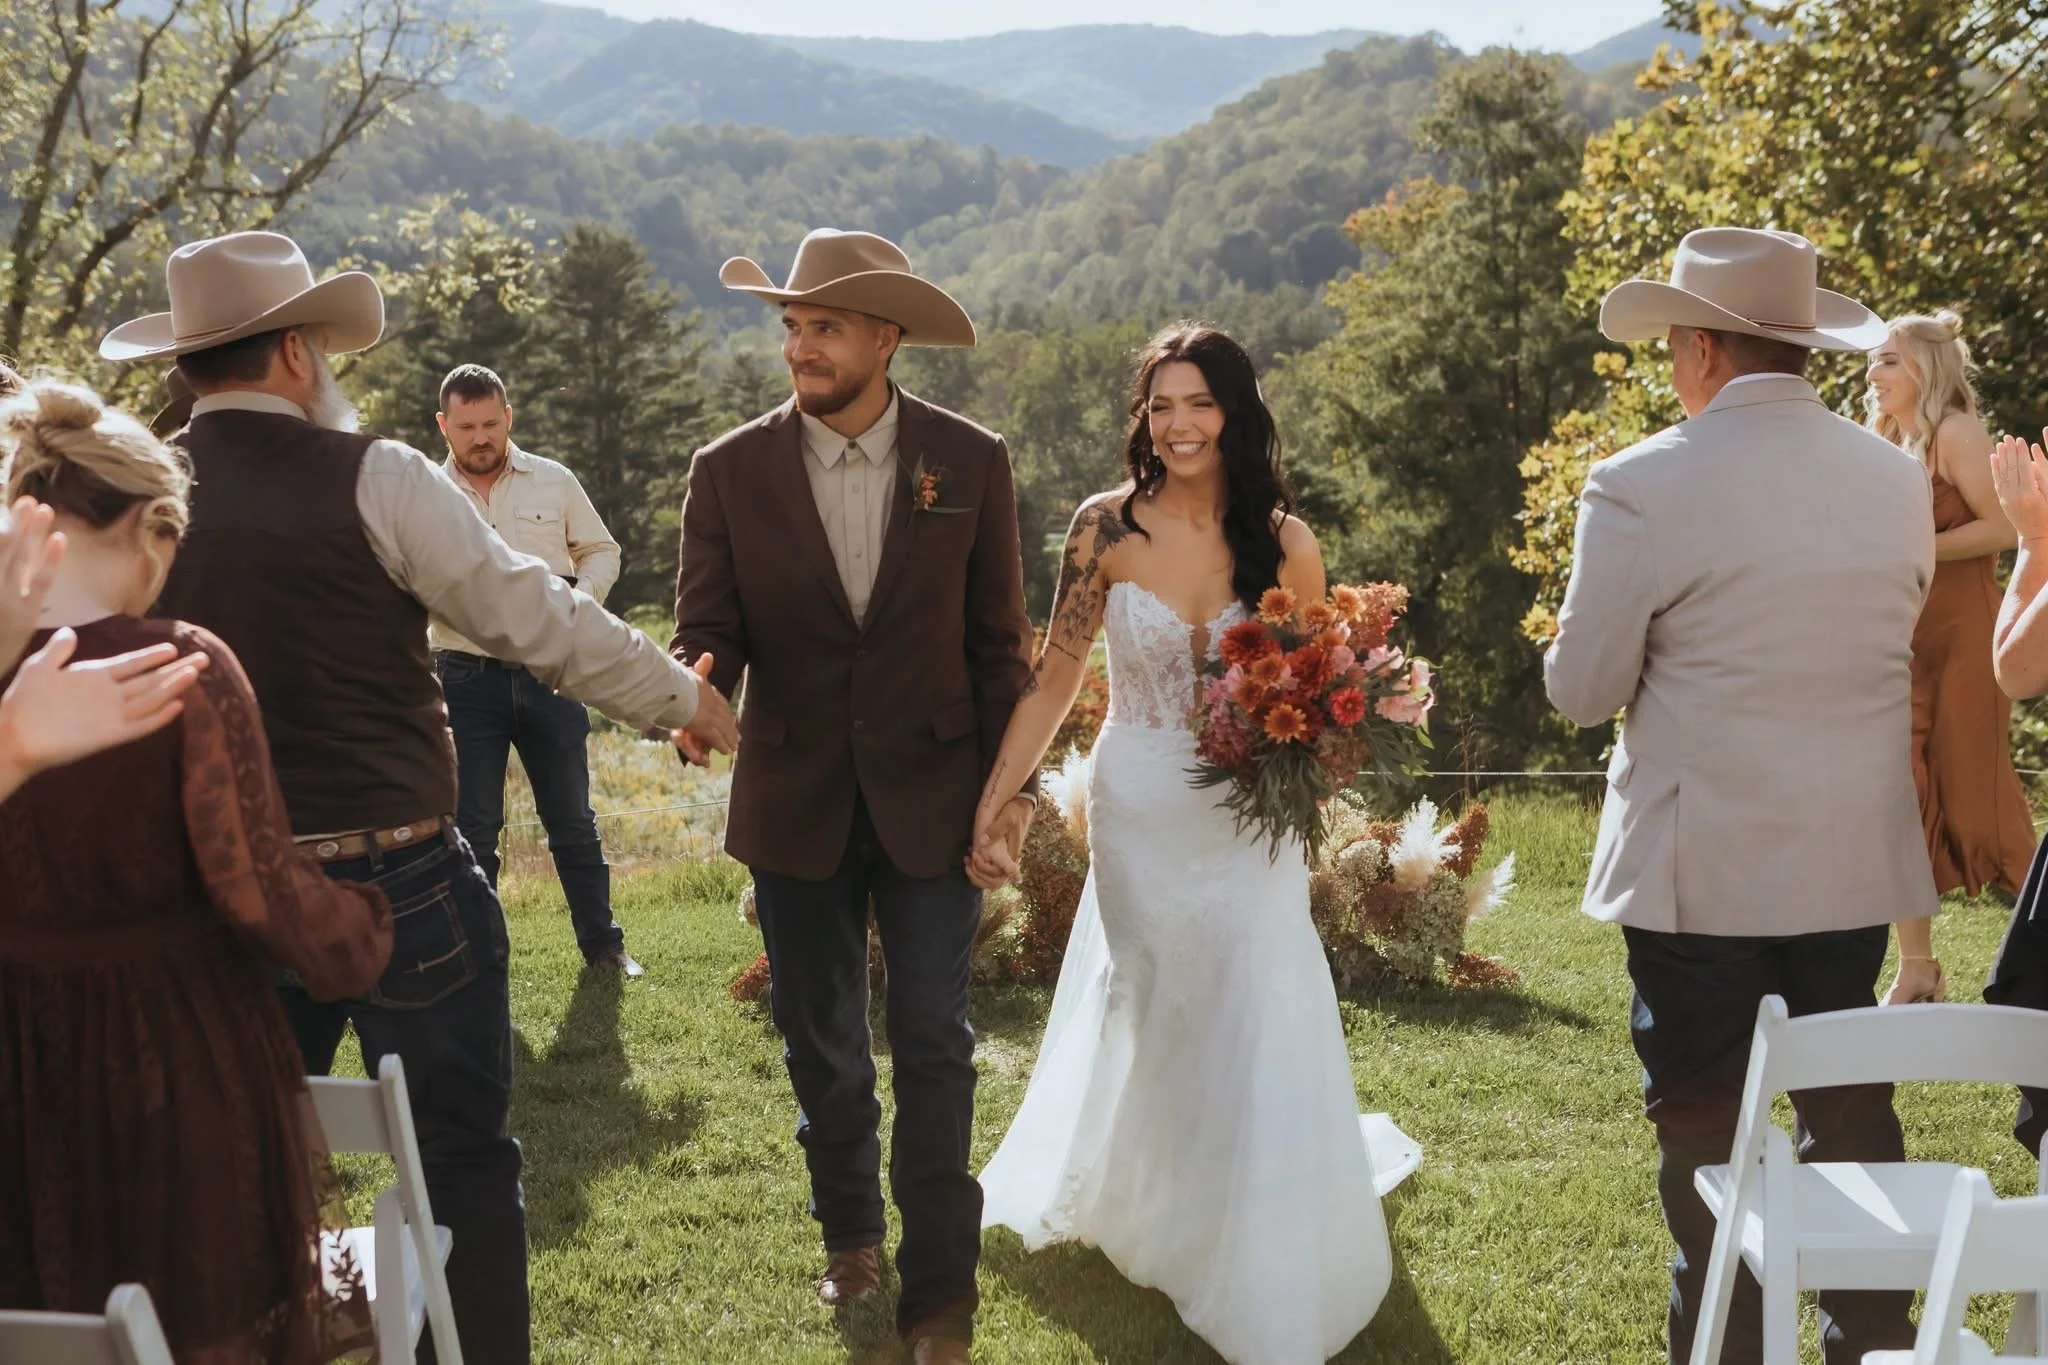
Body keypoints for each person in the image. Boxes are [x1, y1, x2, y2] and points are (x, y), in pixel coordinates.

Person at [100, 228, 738, 1364]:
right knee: (463, 1166)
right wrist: (679, 703)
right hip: (404, 885)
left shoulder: (131, 502)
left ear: (194, 365)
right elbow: (534, 616)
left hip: (222, 892)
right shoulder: (381, 476)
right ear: (298, 352)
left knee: (236, 1172)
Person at [971, 323, 1419, 1365]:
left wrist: (1313, 754)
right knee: (1159, 989)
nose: (1176, 425)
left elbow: (1319, 695)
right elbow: (1052, 676)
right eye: (1159, 405)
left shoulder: (1285, 542)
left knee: (1257, 990)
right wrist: (1004, 794)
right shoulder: (1103, 530)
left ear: (1233, 412)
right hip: (1137, 799)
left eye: (1197, 404)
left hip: (1247, 812)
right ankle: (1158, 1203)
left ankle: (1258, 1218)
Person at [1547, 227, 1935, 1365]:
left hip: (1697, 870)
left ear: (1705, 349)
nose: (1671, 365)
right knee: (1850, 1125)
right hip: (1849, 858)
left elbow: (1580, 689)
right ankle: (1873, 1346)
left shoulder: (1637, 483)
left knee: (1709, 1154)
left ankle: (1726, 1351)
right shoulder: (1893, 479)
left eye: (1673, 344)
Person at [672, 228, 1034, 1365]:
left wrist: (1007, 799)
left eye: (821, 324)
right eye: (789, 324)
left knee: (933, 1039)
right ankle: (850, 1239)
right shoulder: (725, 470)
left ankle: (938, 1296)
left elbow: (996, 649)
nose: (798, 345)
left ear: (886, 337)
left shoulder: (970, 462)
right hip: (794, 798)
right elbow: (708, 627)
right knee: (821, 1042)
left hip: (934, 796)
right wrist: (694, 685)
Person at [0, 377, 393, 1363]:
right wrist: (358, 930)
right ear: (149, 528)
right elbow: (253, 890)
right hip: (168, 1057)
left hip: (11, 1057)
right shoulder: (180, 665)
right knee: (202, 1330)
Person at [427, 363, 642, 975]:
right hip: (464, 677)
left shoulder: (554, 481)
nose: (480, 438)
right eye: (466, 426)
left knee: (572, 819)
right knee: (473, 827)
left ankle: (604, 948)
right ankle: (478, 960)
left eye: (491, 423)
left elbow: (602, 551)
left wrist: (578, 605)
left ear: (508, 417)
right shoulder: (427, 496)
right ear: (444, 426)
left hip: (551, 670)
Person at [1865, 312, 2036, 1004]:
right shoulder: (1886, 441)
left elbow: (2002, 528)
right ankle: (1917, 967)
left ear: (1924, 370)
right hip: (1903, 639)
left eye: (1886, 362)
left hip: (1966, 636)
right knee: (1900, 790)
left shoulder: (1956, 431)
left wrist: (1912, 550)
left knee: (1979, 796)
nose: (1871, 375)